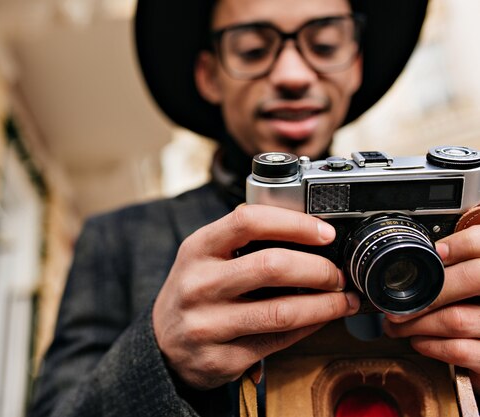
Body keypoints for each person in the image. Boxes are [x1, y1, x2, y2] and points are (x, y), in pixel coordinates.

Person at [29, 0, 480, 416]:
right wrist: (160, 354)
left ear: (356, 65)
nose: (293, 74)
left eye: (324, 45)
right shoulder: (119, 238)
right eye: (251, 50)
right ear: (208, 76)